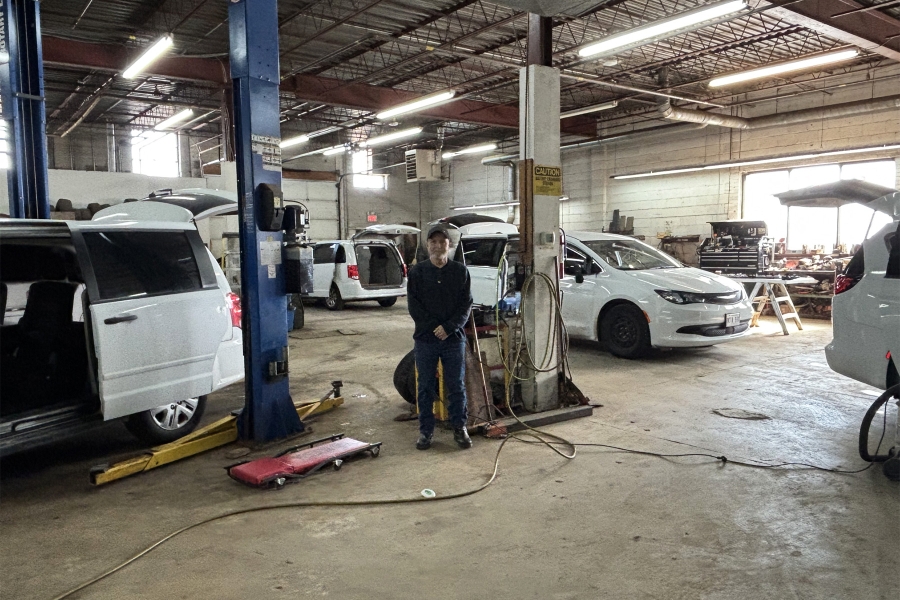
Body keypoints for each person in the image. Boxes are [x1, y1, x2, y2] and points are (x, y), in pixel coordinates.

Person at [407, 223, 473, 450]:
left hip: (453, 339)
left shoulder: (460, 272)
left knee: (456, 385)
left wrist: (449, 327)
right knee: (425, 386)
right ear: (427, 246)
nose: (437, 246)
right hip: (426, 339)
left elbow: (466, 306)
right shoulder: (417, 272)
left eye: (441, 242)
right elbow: (414, 306)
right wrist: (435, 327)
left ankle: (459, 428)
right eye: (432, 242)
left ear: (449, 244)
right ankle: (426, 432)